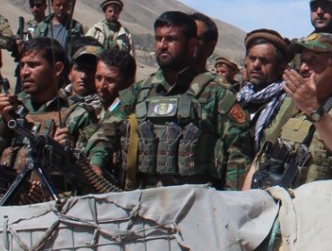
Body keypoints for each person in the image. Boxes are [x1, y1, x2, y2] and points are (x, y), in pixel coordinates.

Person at [88, 11, 252, 190]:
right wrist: (96, 162)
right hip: (141, 200)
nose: (162, 46)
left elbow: (238, 154)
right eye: (158, 39)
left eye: (171, 39)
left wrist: (230, 203)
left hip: (195, 203)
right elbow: (105, 130)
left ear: (191, 45)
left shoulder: (216, 95)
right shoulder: (139, 91)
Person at [243, 33, 332, 190]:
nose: (303, 68)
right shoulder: (291, 105)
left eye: (313, 62)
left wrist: (313, 109)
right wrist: (246, 200)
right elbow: (263, 154)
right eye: (303, 61)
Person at [0, 38, 71, 168]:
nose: (24, 72)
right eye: (22, 65)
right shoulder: (12, 106)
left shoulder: (75, 113)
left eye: (33, 65)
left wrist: (62, 151)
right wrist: (4, 123)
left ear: (57, 69)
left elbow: (90, 177)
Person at [82, 47, 136, 175]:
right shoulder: (89, 110)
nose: (102, 86)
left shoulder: (132, 112)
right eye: (98, 78)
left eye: (110, 80)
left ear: (128, 82)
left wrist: (96, 162)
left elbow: (108, 130)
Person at [236, 29, 291, 148]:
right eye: (252, 58)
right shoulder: (238, 98)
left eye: (264, 61)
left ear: (280, 67)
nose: (256, 65)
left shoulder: (288, 103)